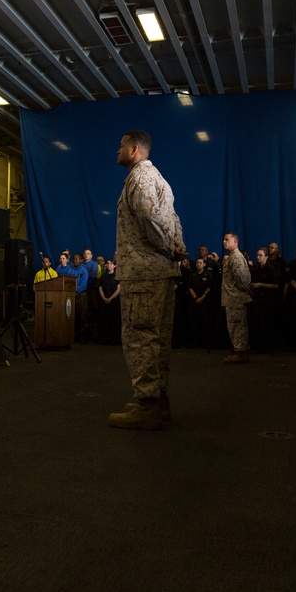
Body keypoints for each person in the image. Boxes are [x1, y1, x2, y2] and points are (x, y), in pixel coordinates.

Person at [108, 130, 187, 430]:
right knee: (157, 339)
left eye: (121, 145)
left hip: (143, 275)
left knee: (140, 339)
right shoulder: (160, 180)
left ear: (135, 149)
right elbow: (174, 220)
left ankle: (147, 405)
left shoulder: (140, 178)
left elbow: (149, 217)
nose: (117, 150)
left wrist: (169, 248)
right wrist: (176, 248)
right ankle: (158, 399)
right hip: (160, 273)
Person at [221, 232, 252, 364]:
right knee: (235, 325)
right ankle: (240, 351)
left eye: (227, 239)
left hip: (236, 297)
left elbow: (242, 278)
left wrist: (244, 290)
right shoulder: (232, 257)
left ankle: (240, 352)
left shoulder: (236, 257)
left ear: (235, 242)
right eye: (224, 239)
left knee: (237, 325)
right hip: (232, 297)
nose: (224, 241)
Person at [248, 247, 280, 353]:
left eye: (260, 255)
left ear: (266, 257)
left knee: (266, 323)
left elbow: (275, 286)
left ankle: (267, 346)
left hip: (267, 300)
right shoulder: (256, 269)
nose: (258, 257)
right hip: (257, 299)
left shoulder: (271, 268)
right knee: (255, 323)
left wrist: (261, 284)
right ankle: (256, 345)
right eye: (257, 255)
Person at [98, 258, 121, 345]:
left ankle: (114, 339)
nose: (109, 265)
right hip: (104, 299)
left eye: (111, 263)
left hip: (114, 300)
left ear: (114, 265)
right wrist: (104, 298)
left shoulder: (117, 276)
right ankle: (104, 338)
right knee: (104, 319)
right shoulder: (103, 277)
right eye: (107, 263)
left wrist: (111, 298)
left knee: (114, 319)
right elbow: (100, 288)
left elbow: (119, 289)